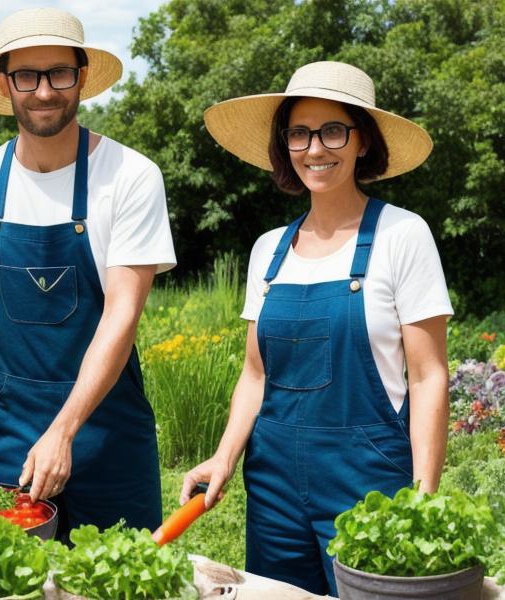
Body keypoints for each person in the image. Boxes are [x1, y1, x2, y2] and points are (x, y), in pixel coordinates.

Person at [180, 61, 452, 595]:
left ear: (363, 142)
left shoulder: (403, 235)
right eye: (299, 133)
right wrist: (224, 455)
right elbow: (255, 375)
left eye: (333, 131)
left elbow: (428, 377)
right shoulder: (268, 252)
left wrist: (424, 497)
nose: (315, 148)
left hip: (368, 484)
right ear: (285, 145)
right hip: (274, 486)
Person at [0, 8, 175, 538]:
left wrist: (64, 429)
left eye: (59, 74)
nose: (44, 91)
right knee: (4, 581)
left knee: (116, 583)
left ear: (83, 78)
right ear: (6, 83)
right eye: (27, 76)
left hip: (106, 430)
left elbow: (122, 314)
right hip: (5, 431)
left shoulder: (131, 176)